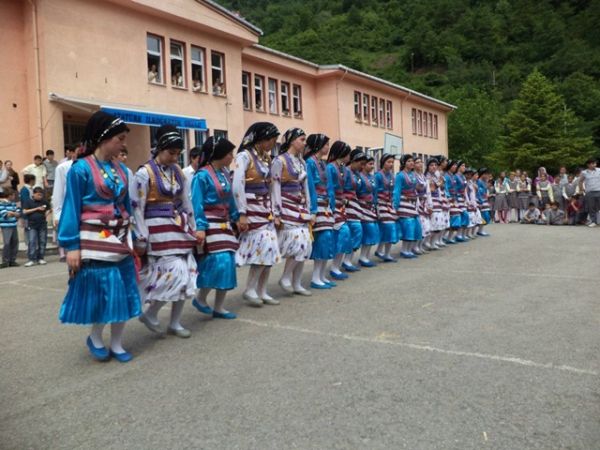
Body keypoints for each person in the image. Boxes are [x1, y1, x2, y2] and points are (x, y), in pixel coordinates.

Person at [58, 111, 141, 363]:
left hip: (121, 236)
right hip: (95, 238)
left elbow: (128, 205)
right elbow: (71, 207)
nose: (123, 143)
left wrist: (133, 235)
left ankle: (116, 343)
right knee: (103, 292)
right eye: (120, 138)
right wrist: (71, 246)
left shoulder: (123, 170)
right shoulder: (80, 169)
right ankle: (95, 336)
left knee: (126, 290)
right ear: (103, 138)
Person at [131, 124, 199, 338]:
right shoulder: (144, 173)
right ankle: (151, 312)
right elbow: (137, 208)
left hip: (178, 228)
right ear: (160, 148)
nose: (175, 157)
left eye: (178, 154)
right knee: (174, 273)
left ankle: (175, 322)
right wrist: (141, 237)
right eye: (171, 153)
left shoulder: (178, 173)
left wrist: (193, 227)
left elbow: (185, 202)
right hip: (156, 231)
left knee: (187, 273)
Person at [232, 122, 282, 306]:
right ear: (260, 139)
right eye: (271, 140)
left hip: (265, 209)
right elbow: (238, 185)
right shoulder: (244, 157)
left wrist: (274, 210)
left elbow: (271, 186)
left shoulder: (266, 159)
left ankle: (262, 290)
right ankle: (250, 289)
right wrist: (242, 212)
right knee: (261, 248)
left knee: (270, 250)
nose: (272, 144)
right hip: (251, 208)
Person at [191, 137, 240, 320]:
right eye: (229, 154)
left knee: (228, 262)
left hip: (224, 223)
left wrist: (236, 217)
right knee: (216, 262)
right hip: (210, 223)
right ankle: (201, 297)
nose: (231, 157)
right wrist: (200, 226)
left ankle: (219, 306)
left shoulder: (225, 173)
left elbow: (231, 199)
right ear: (219, 154)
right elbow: (196, 203)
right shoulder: (202, 176)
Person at [271, 128, 313, 296]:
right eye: (302, 139)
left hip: (300, 208)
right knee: (298, 242)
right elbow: (274, 187)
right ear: (292, 140)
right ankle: (286, 277)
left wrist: (309, 208)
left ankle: (296, 282)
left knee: (306, 244)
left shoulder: (302, 162)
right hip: (286, 207)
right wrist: (276, 212)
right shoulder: (279, 161)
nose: (304, 143)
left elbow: (306, 188)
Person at [305, 134, 336, 289]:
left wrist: (332, 206)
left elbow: (330, 187)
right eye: (325, 144)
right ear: (318, 145)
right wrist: (313, 210)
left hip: (326, 206)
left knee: (328, 239)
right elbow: (310, 186)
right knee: (322, 239)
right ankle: (315, 277)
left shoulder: (323, 163)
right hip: (317, 205)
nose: (327, 147)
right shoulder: (309, 163)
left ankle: (322, 275)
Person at [326, 141, 353, 279]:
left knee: (345, 234)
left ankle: (336, 266)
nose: (349, 156)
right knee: (341, 233)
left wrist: (346, 199)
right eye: (348, 153)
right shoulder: (330, 167)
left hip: (342, 206)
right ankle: (333, 267)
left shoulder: (345, 169)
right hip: (332, 205)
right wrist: (332, 203)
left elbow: (348, 188)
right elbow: (329, 187)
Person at [342, 149, 366, 270]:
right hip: (346, 204)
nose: (362, 166)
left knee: (357, 231)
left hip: (355, 204)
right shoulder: (345, 171)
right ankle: (345, 261)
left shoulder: (357, 174)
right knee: (355, 230)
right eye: (360, 163)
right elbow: (339, 187)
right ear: (354, 161)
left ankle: (348, 260)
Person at [52, 147, 77, 262]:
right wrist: (57, 215)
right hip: (70, 210)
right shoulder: (63, 168)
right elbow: (58, 192)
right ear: (71, 153)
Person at [393, 154, 420, 258]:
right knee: (408, 225)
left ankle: (409, 249)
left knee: (416, 225)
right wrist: (395, 207)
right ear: (404, 163)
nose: (412, 163)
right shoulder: (400, 175)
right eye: (409, 161)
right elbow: (396, 191)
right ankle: (404, 250)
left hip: (412, 204)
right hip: (404, 203)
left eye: (412, 161)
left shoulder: (413, 175)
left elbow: (416, 189)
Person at [374, 153, 398, 262]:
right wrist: (375, 206)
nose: (391, 164)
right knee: (388, 227)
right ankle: (381, 251)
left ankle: (384, 252)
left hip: (389, 204)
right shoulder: (378, 175)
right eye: (389, 162)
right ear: (383, 162)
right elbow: (374, 191)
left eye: (392, 162)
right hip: (381, 203)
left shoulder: (392, 176)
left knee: (390, 228)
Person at [357, 156, 380, 266]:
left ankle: (366, 256)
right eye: (369, 164)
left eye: (372, 164)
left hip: (372, 207)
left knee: (373, 230)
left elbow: (375, 193)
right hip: (362, 207)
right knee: (368, 230)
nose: (372, 166)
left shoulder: (373, 177)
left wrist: (376, 205)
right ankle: (362, 257)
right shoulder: (359, 177)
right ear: (363, 165)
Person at [22, 187, 51, 266]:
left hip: (42, 224)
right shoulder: (28, 201)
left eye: (41, 195)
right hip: (32, 224)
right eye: (38, 195)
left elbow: (49, 208)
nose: (40, 197)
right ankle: (31, 259)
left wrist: (46, 214)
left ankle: (41, 258)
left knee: (42, 241)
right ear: (34, 194)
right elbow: (25, 211)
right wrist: (36, 208)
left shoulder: (44, 201)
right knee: (32, 241)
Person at [0, 189, 20, 268]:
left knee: (15, 242)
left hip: (14, 224)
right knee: (7, 243)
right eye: (13, 195)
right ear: (9, 195)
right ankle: (5, 261)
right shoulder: (2, 203)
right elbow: (5, 214)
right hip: (6, 226)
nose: (14, 196)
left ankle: (12, 260)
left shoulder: (13, 204)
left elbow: (18, 212)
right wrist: (13, 213)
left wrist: (13, 213)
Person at [578, 157, 600, 227]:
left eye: (595, 163)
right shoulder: (584, 172)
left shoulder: (599, 170)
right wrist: (581, 189)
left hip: (599, 190)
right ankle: (594, 221)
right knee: (591, 207)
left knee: (598, 207)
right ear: (588, 165)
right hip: (589, 192)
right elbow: (580, 181)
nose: (594, 165)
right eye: (593, 163)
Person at [476, 168, 492, 236]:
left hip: (484, 200)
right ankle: (480, 230)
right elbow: (478, 191)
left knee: (486, 215)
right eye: (486, 174)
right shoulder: (478, 181)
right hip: (481, 200)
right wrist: (480, 200)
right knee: (483, 215)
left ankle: (481, 230)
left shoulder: (484, 182)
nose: (487, 175)